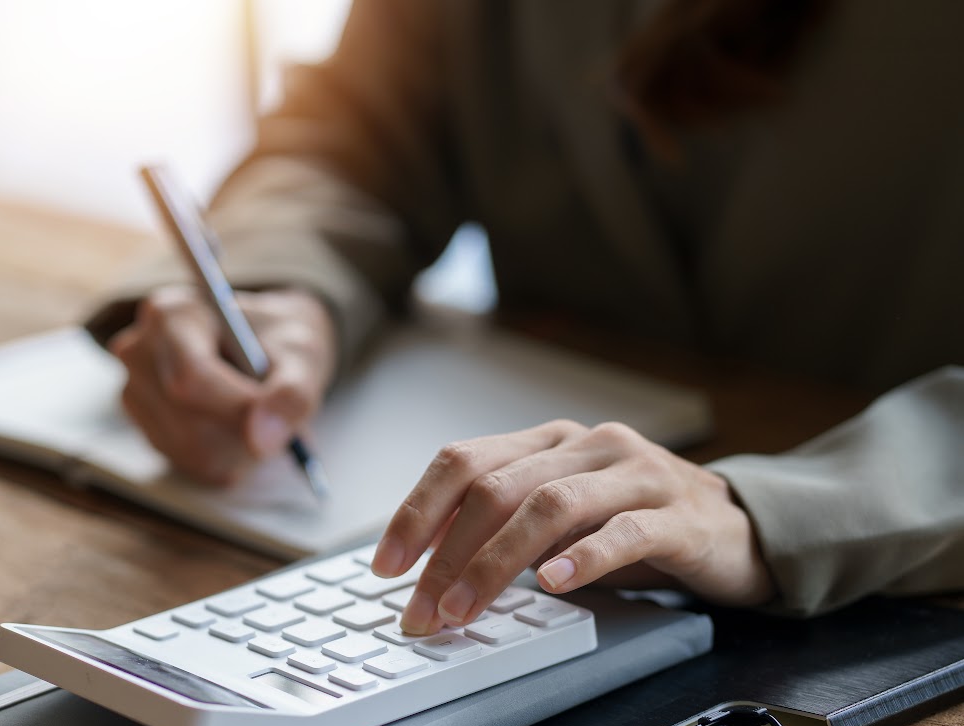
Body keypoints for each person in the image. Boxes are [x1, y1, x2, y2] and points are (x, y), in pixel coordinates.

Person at [87, 0, 964, 627]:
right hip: (538, 564)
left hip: (891, 581)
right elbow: (355, 132)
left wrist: (772, 513)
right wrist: (280, 291)